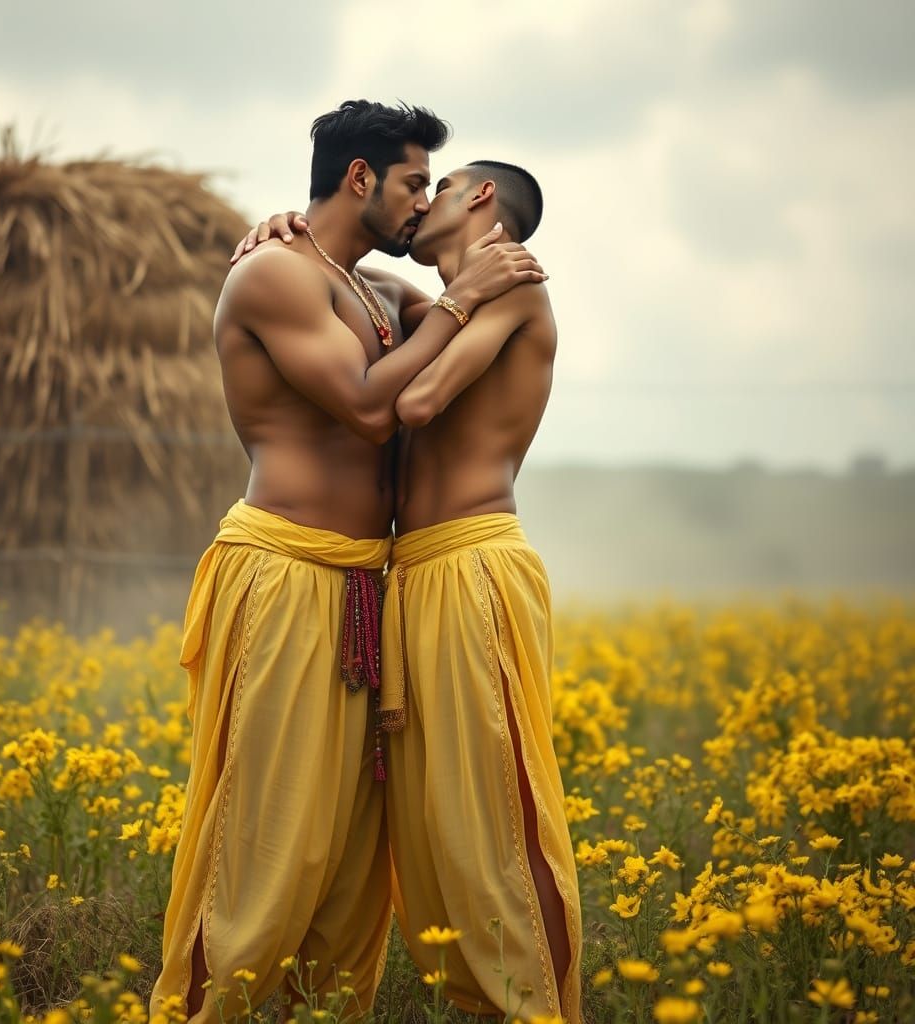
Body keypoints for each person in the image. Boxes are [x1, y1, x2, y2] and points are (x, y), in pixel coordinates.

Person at [150, 101, 546, 1024]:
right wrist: (461, 294)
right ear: (360, 178)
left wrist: (477, 281)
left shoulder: (375, 290)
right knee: (270, 829)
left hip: (375, 582)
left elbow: (452, 316)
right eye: (413, 183)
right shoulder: (276, 279)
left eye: (432, 187)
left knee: (353, 847)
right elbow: (372, 410)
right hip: (288, 570)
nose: (420, 204)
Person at [243, 161, 582, 1021]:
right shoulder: (439, 296)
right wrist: (289, 229)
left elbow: (421, 399)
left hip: (471, 564)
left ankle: (541, 1007)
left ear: (479, 199)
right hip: (412, 572)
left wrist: (462, 294)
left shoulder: (511, 287)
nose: (420, 201)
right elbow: (355, 283)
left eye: (441, 185)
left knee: (496, 821)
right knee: (430, 823)